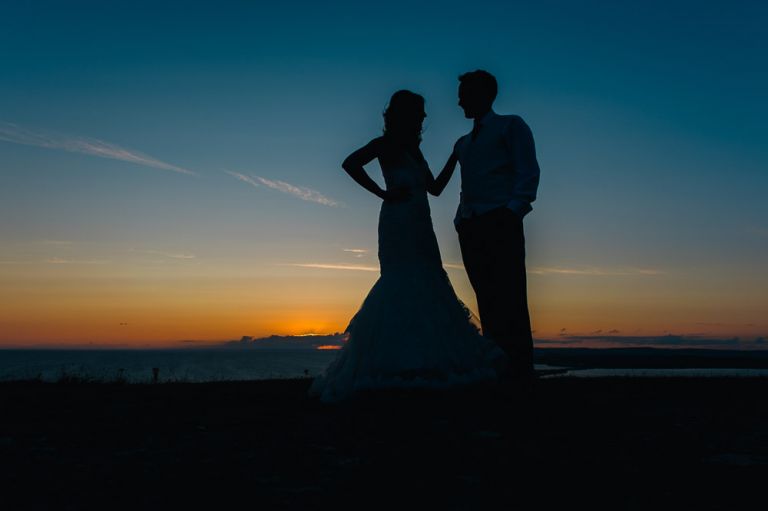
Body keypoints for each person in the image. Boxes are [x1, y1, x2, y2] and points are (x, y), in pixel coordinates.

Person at [309, 90, 504, 403]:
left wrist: (456, 156)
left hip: (421, 222)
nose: (424, 117)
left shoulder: (414, 149)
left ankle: (426, 363)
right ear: (406, 114)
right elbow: (350, 163)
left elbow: (435, 189)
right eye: (420, 112)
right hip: (397, 221)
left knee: (429, 281)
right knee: (400, 281)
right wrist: (383, 193)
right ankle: (393, 367)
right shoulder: (384, 143)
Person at [453, 70, 540, 380]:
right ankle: (498, 367)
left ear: (484, 95)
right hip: (471, 225)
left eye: (464, 94)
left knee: (511, 296)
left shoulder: (511, 126)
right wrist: (460, 219)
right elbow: (466, 185)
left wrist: (513, 212)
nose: (459, 101)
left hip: (501, 221)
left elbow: (527, 171)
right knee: (486, 297)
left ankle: (520, 371)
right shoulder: (463, 143)